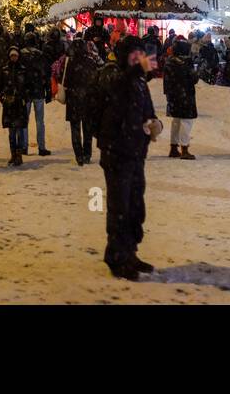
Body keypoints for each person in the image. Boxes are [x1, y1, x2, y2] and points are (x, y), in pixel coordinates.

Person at [96, 34, 161, 280]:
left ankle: (130, 252)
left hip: (136, 152)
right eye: (134, 54)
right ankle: (116, 258)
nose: (138, 58)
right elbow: (117, 89)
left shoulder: (137, 81)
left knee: (135, 205)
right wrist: (138, 71)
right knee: (119, 207)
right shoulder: (112, 74)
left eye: (140, 54)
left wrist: (155, 123)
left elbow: (148, 109)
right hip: (116, 152)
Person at [62, 30, 102, 165]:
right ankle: (87, 154)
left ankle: (79, 155)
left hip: (74, 100)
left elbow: (66, 82)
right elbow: (96, 82)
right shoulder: (90, 62)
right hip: (87, 101)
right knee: (87, 129)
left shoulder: (71, 63)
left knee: (75, 129)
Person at [163, 38, 199, 160]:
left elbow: (166, 81)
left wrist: (169, 94)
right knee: (186, 122)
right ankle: (184, 148)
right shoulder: (185, 63)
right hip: (186, 95)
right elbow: (193, 78)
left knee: (176, 121)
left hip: (174, 96)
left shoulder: (169, 62)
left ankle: (173, 148)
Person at [20, 33, 52, 156]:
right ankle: (42, 147)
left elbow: (20, 74)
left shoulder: (21, 54)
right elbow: (46, 74)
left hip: (26, 91)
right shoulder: (40, 55)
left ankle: (24, 146)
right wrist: (47, 90)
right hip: (38, 90)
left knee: (24, 120)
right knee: (40, 121)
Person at [0, 46, 29, 166]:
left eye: (15, 55)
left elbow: (28, 85)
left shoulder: (23, 70)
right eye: (12, 56)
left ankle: (19, 154)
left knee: (20, 131)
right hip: (9, 105)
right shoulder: (5, 70)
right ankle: (13, 154)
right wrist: (3, 97)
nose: (14, 58)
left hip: (19, 105)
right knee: (12, 132)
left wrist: (24, 98)